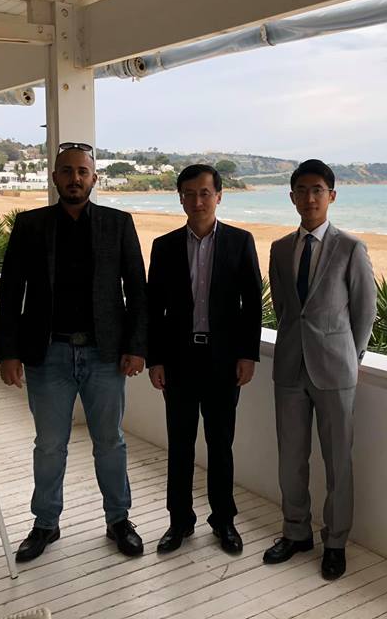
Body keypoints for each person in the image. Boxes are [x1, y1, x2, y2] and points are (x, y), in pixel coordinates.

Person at [0, 142, 148, 562]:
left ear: (94, 178)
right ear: (54, 177)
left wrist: (136, 347)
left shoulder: (118, 224)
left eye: (82, 171)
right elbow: (11, 291)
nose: (75, 178)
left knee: (110, 442)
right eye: (67, 171)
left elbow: (137, 289)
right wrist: (8, 352)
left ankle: (119, 520)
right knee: (49, 445)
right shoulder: (31, 225)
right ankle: (46, 523)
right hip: (48, 354)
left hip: (104, 354)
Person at [264, 159, 376, 581]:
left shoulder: (351, 248)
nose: (309, 198)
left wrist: (350, 357)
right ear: (292, 197)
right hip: (290, 368)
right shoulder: (279, 249)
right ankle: (295, 532)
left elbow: (364, 312)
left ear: (331, 195)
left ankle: (335, 542)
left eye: (317, 190)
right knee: (290, 458)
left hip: (335, 371)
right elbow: (284, 310)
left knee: (338, 461)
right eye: (302, 190)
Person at [146, 164, 262, 555]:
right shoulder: (164, 246)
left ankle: (224, 521)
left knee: (220, 445)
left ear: (219, 197)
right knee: (179, 445)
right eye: (190, 194)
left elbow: (252, 304)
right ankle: (179, 522)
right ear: (180, 198)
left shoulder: (240, 242)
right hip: (178, 360)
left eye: (205, 193)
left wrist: (247, 354)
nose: (198, 201)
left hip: (223, 360)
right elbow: (154, 308)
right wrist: (155, 360)